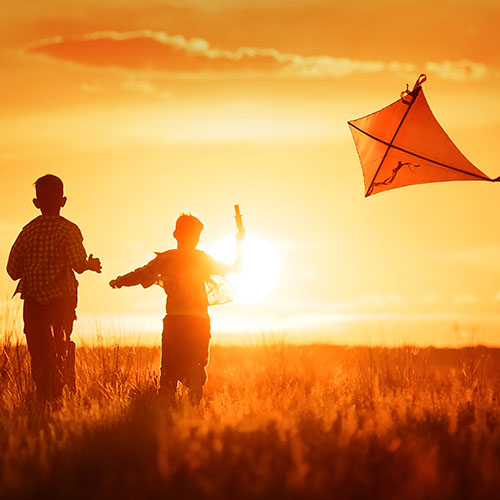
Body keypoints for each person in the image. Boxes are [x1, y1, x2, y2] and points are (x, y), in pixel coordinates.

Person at [109, 213, 244, 404]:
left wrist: (120, 281)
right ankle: (192, 413)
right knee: (196, 367)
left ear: (175, 234)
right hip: (198, 321)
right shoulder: (202, 259)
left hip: (175, 320)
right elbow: (235, 267)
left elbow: (141, 274)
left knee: (169, 370)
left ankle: (166, 412)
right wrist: (239, 243)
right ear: (197, 237)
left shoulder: (166, 259)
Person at [7, 174, 102, 401]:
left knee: (38, 350)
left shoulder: (27, 231)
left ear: (36, 203)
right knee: (60, 344)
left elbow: (12, 270)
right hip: (62, 300)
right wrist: (90, 264)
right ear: (63, 201)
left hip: (33, 303)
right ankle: (63, 390)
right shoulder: (69, 230)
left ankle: (44, 395)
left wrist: (34, 267)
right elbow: (78, 265)